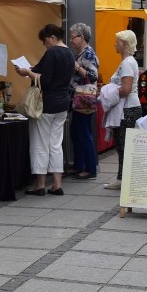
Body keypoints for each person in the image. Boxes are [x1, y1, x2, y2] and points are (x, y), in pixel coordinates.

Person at [15, 24, 75, 196]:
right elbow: (50, 73)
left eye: (45, 40)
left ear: (52, 37)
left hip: (46, 104)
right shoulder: (69, 54)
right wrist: (33, 70)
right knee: (56, 144)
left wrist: (27, 72)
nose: (44, 44)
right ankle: (57, 184)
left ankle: (40, 185)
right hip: (63, 104)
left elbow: (45, 80)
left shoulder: (52, 52)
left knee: (40, 143)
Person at [104, 30, 142, 190]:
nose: (115, 44)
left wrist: (105, 93)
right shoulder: (129, 62)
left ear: (125, 44)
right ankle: (122, 178)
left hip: (127, 108)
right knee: (122, 145)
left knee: (123, 145)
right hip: (129, 107)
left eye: (118, 41)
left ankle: (123, 180)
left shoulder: (127, 63)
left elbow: (125, 89)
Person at [68, 22, 99, 180]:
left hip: (84, 97)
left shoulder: (87, 54)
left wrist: (76, 67)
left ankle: (90, 168)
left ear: (82, 37)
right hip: (78, 97)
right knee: (76, 132)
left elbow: (93, 76)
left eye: (73, 37)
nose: (71, 40)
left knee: (84, 132)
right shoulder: (80, 53)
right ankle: (79, 165)